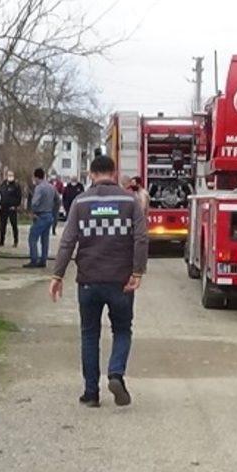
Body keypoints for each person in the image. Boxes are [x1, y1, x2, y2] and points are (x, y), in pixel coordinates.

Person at [50, 154, 148, 408]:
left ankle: (91, 393)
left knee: (89, 334)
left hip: (88, 280)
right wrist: (137, 272)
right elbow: (141, 238)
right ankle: (116, 373)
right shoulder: (130, 200)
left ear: (92, 175)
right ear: (114, 173)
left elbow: (68, 241)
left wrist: (58, 275)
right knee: (122, 330)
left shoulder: (81, 202)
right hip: (121, 280)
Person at [24, 168, 58, 269]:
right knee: (45, 239)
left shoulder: (39, 188)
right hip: (49, 215)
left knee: (32, 237)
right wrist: (53, 211)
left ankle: (34, 260)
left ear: (36, 177)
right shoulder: (51, 187)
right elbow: (58, 200)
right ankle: (43, 260)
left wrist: (33, 212)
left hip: (40, 216)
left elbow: (35, 202)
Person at [0, 170, 22, 247]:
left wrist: (15, 206)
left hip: (12, 208)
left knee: (14, 225)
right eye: (8, 175)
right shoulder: (3, 184)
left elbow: (19, 197)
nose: (10, 177)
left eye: (11, 175)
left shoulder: (16, 185)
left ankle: (15, 241)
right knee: (2, 225)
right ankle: (1, 241)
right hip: (3, 208)